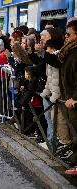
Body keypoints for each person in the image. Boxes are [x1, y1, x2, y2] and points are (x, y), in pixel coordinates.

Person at [59, 20, 77, 166]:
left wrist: (74, 98)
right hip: (69, 97)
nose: (66, 37)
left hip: (74, 99)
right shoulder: (69, 51)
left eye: (68, 34)